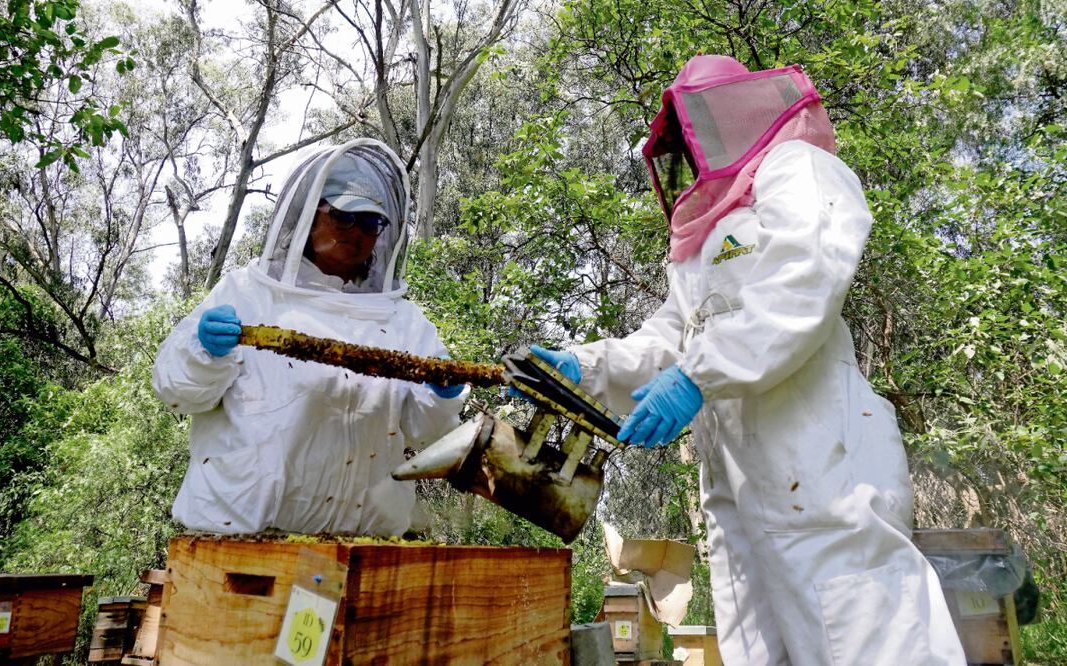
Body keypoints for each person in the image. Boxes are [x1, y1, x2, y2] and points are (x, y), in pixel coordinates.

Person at [529, 56, 966, 664]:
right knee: (755, 647)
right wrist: (587, 366)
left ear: (736, 112)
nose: (692, 149)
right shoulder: (700, 241)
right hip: (735, 485)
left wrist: (697, 375)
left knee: (865, 636)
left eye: (696, 130)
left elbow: (805, 277)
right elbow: (672, 335)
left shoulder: (797, 168)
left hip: (818, 464)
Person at [152, 140, 466, 536]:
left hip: (362, 544)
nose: (359, 234)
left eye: (372, 224)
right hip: (241, 541)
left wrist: (442, 394)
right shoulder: (248, 293)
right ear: (309, 216)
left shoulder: (404, 320)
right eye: (344, 218)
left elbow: (428, 432)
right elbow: (178, 391)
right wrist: (203, 352)